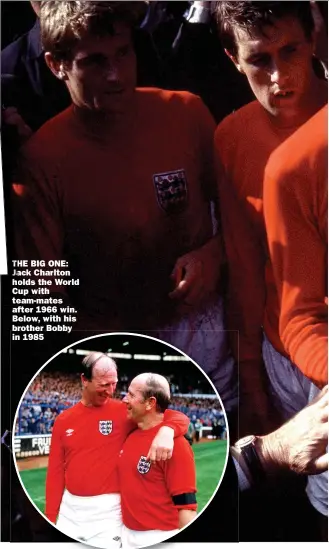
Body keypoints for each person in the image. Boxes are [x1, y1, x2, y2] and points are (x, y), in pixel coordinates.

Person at [13, 0, 237, 415]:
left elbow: (242, 220)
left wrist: (215, 255)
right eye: (94, 62)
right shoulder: (41, 161)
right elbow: (41, 306)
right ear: (56, 64)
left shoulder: (186, 112)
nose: (116, 74)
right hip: (119, 356)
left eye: (123, 52)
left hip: (212, 338)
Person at [214, 0, 327, 532]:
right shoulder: (232, 139)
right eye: (260, 60)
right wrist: (254, 387)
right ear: (232, 58)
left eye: (291, 51)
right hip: (286, 357)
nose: (281, 77)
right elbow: (242, 267)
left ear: (315, 35)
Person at [45, 352, 189, 548]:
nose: (111, 391)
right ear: (84, 380)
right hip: (69, 510)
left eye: (114, 383)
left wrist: (167, 429)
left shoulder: (125, 412)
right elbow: (54, 473)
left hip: (109, 513)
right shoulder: (63, 420)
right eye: (104, 385)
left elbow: (169, 414)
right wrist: (51, 518)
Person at [119, 373, 197, 548]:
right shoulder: (131, 430)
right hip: (126, 534)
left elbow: (186, 507)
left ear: (150, 403)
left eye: (131, 395)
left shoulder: (175, 445)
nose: (124, 399)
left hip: (158, 537)